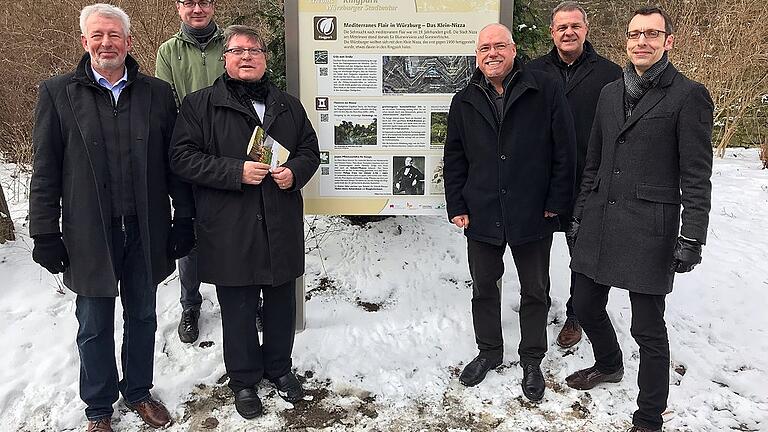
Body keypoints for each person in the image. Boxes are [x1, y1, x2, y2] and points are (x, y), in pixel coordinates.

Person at [29, 4, 194, 431]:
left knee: (142, 316)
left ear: (129, 43)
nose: (106, 43)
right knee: (94, 324)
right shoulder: (58, 93)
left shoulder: (157, 94)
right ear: (84, 42)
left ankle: (138, 391)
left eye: (114, 35)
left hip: (146, 228)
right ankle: (99, 407)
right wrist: (45, 232)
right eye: (98, 35)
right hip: (89, 232)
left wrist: (184, 219)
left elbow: (173, 164)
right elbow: (45, 169)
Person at [564, 7, 713, 432]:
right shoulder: (610, 93)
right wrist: (578, 215)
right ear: (626, 41)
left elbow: (697, 176)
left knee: (648, 329)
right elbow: (594, 160)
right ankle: (609, 364)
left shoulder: (688, 95)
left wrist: (692, 237)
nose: (641, 42)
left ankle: (649, 417)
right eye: (634, 34)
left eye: (651, 34)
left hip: (650, 229)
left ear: (669, 41)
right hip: (599, 222)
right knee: (588, 305)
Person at [170, 25, 320, 419]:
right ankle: (243, 379)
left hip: (280, 220)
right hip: (229, 224)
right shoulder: (200, 104)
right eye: (238, 50)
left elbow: (309, 149)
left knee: (280, 305)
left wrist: (295, 173)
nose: (247, 56)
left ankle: (280, 368)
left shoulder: (287, 105)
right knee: (237, 307)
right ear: (226, 58)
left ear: (265, 58)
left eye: (255, 50)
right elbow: (182, 158)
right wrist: (234, 172)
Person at [444, 23, 575, 402]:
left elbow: (564, 150)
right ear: (477, 55)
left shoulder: (544, 89)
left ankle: (532, 359)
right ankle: (489, 350)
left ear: (514, 50)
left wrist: (556, 201)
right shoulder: (464, 100)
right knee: (484, 286)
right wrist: (458, 205)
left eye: (499, 46)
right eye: (485, 48)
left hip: (533, 211)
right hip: (482, 211)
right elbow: (454, 158)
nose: (492, 54)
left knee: (535, 289)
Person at [527, 0, 621, 349]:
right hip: (538, 182)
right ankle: (536, 309)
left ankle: (576, 313)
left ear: (586, 29)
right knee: (535, 255)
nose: (568, 32)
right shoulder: (532, 71)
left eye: (575, 26)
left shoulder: (610, 74)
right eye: (561, 27)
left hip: (587, 183)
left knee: (582, 256)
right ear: (552, 32)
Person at [156, 0, 225, 344]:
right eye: (189, 2)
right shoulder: (168, 51)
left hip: (232, 155)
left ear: (213, 6)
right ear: (178, 7)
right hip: (191, 155)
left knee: (238, 229)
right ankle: (190, 306)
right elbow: (167, 105)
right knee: (190, 233)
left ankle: (245, 299)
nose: (197, 8)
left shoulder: (231, 43)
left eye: (204, 1)